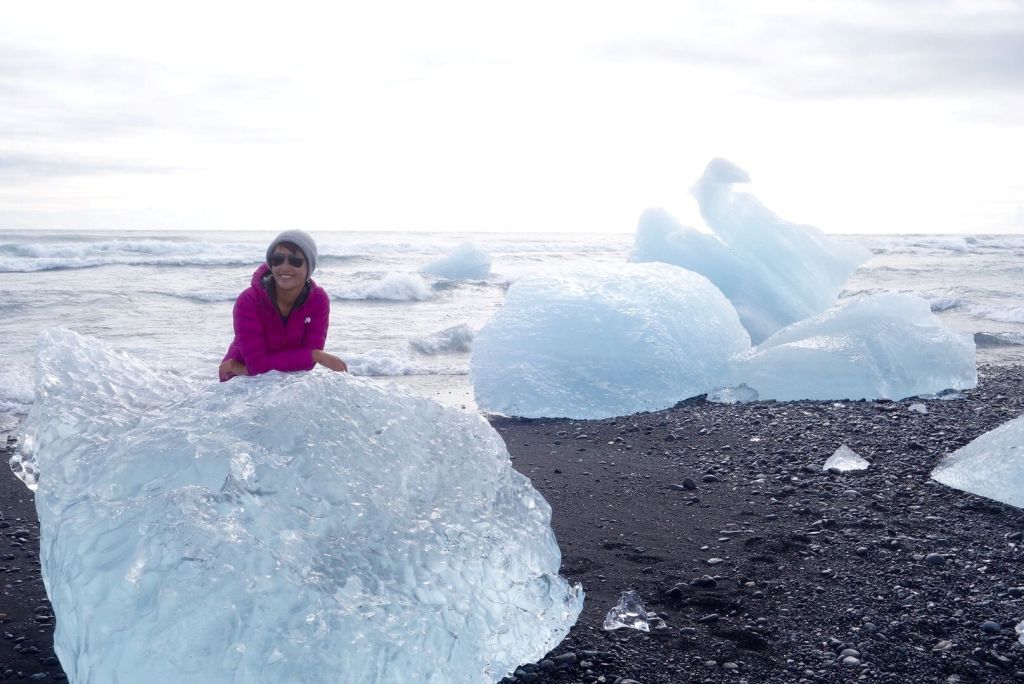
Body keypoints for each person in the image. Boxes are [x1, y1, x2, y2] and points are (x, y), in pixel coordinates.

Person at [219, 230, 347, 381]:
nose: (284, 267)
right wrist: (314, 355)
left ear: (309, 267)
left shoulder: (318, 300)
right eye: (278, 259)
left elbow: (307, 365)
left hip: (285, 379)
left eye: (295, 261)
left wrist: (249, 369)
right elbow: (258, 366)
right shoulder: (249, 301)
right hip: (239, 382)